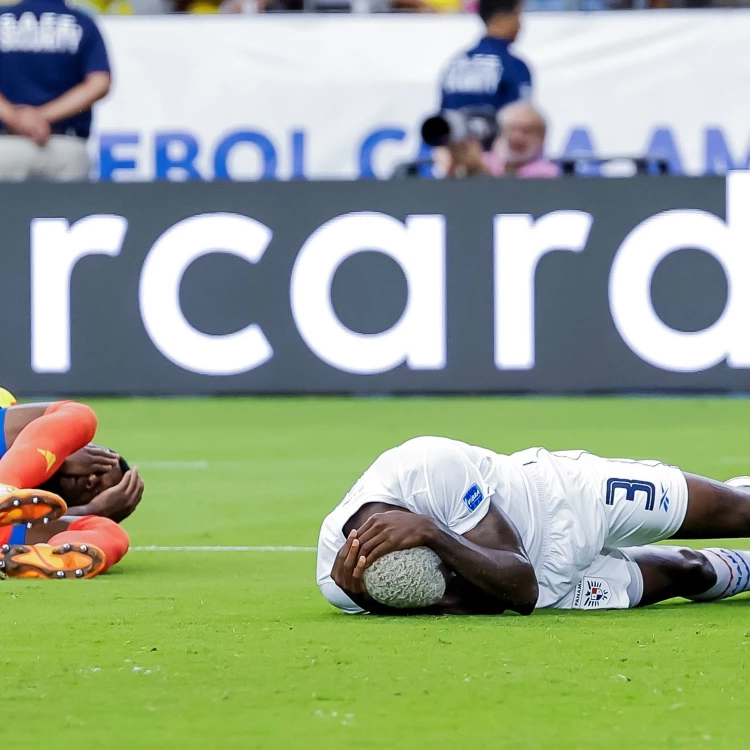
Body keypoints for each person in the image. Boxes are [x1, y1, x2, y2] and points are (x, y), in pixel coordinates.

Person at [317, 436, 750, 615]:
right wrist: (377, 604)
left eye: (441, 565)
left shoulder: (426, 465)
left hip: (566, 496)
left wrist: (431, 530)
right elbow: (519, 593)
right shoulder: (341, 584)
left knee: (738, 511)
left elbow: (513, 566)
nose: (448, 579)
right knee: (691, 571)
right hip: (545, 589)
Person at [0, 400, 142, 578]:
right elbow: (65, 418)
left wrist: (95, 511)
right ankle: (3, 488)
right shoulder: (19, 436)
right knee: (82, 415)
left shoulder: (15, 522)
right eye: (96, 462)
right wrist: (62, 451)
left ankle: (54, 559)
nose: (90, 480)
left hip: (10, 527)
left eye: (96, 489)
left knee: (112, 532)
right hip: (8, 486)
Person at [0, 0, 112, 181]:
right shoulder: (79, 21)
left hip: (6, 145)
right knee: (69, 209)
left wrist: (16, 117)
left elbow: (100, 82)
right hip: (64, 146)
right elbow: (99, 82)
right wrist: (42, 116)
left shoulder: (3, 19)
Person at [440, 0, 531, 115]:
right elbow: (521, 121)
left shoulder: (456, 63)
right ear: (502, 18)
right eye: (518, 15)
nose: (520, 25)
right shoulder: (513, 66)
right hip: (496, 132)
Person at [484, 101, 559, 178]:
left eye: (527, 131)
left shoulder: (549, 174)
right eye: (512, 129)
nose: (517, 137)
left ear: (542, 137)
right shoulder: (481, 163)